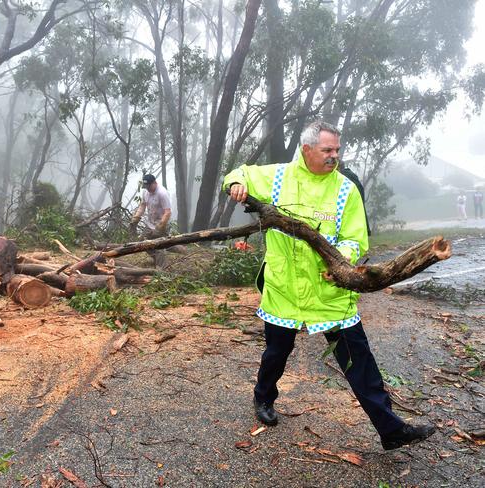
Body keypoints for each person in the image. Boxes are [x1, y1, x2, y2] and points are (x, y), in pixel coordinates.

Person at [224, 120, 435, 451]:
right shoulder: (278, 177)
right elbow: (241, 173)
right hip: (284, 288)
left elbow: (355, 239)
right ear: (307, 150)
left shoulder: (346, 190)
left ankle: (391, 429)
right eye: (327, 150)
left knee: (358, 359)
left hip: (330, 291)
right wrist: (236, 182)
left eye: (337, 149)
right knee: (277, 352)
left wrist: (340, 263)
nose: (335, 155)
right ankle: (263, 398)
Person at [130, 174, 172, 268]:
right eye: (146, 186)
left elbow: (168, 212)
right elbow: (142, 205)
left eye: (149, 185)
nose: (147, 188)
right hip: (150, 223)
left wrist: (160, 227)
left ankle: (162, 269)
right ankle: (157, 259)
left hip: (162, 223)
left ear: (154, 183)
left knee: (159, 246)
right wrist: (136, 218)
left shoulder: (162, 193)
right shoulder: (145, 192)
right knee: (142, 243)